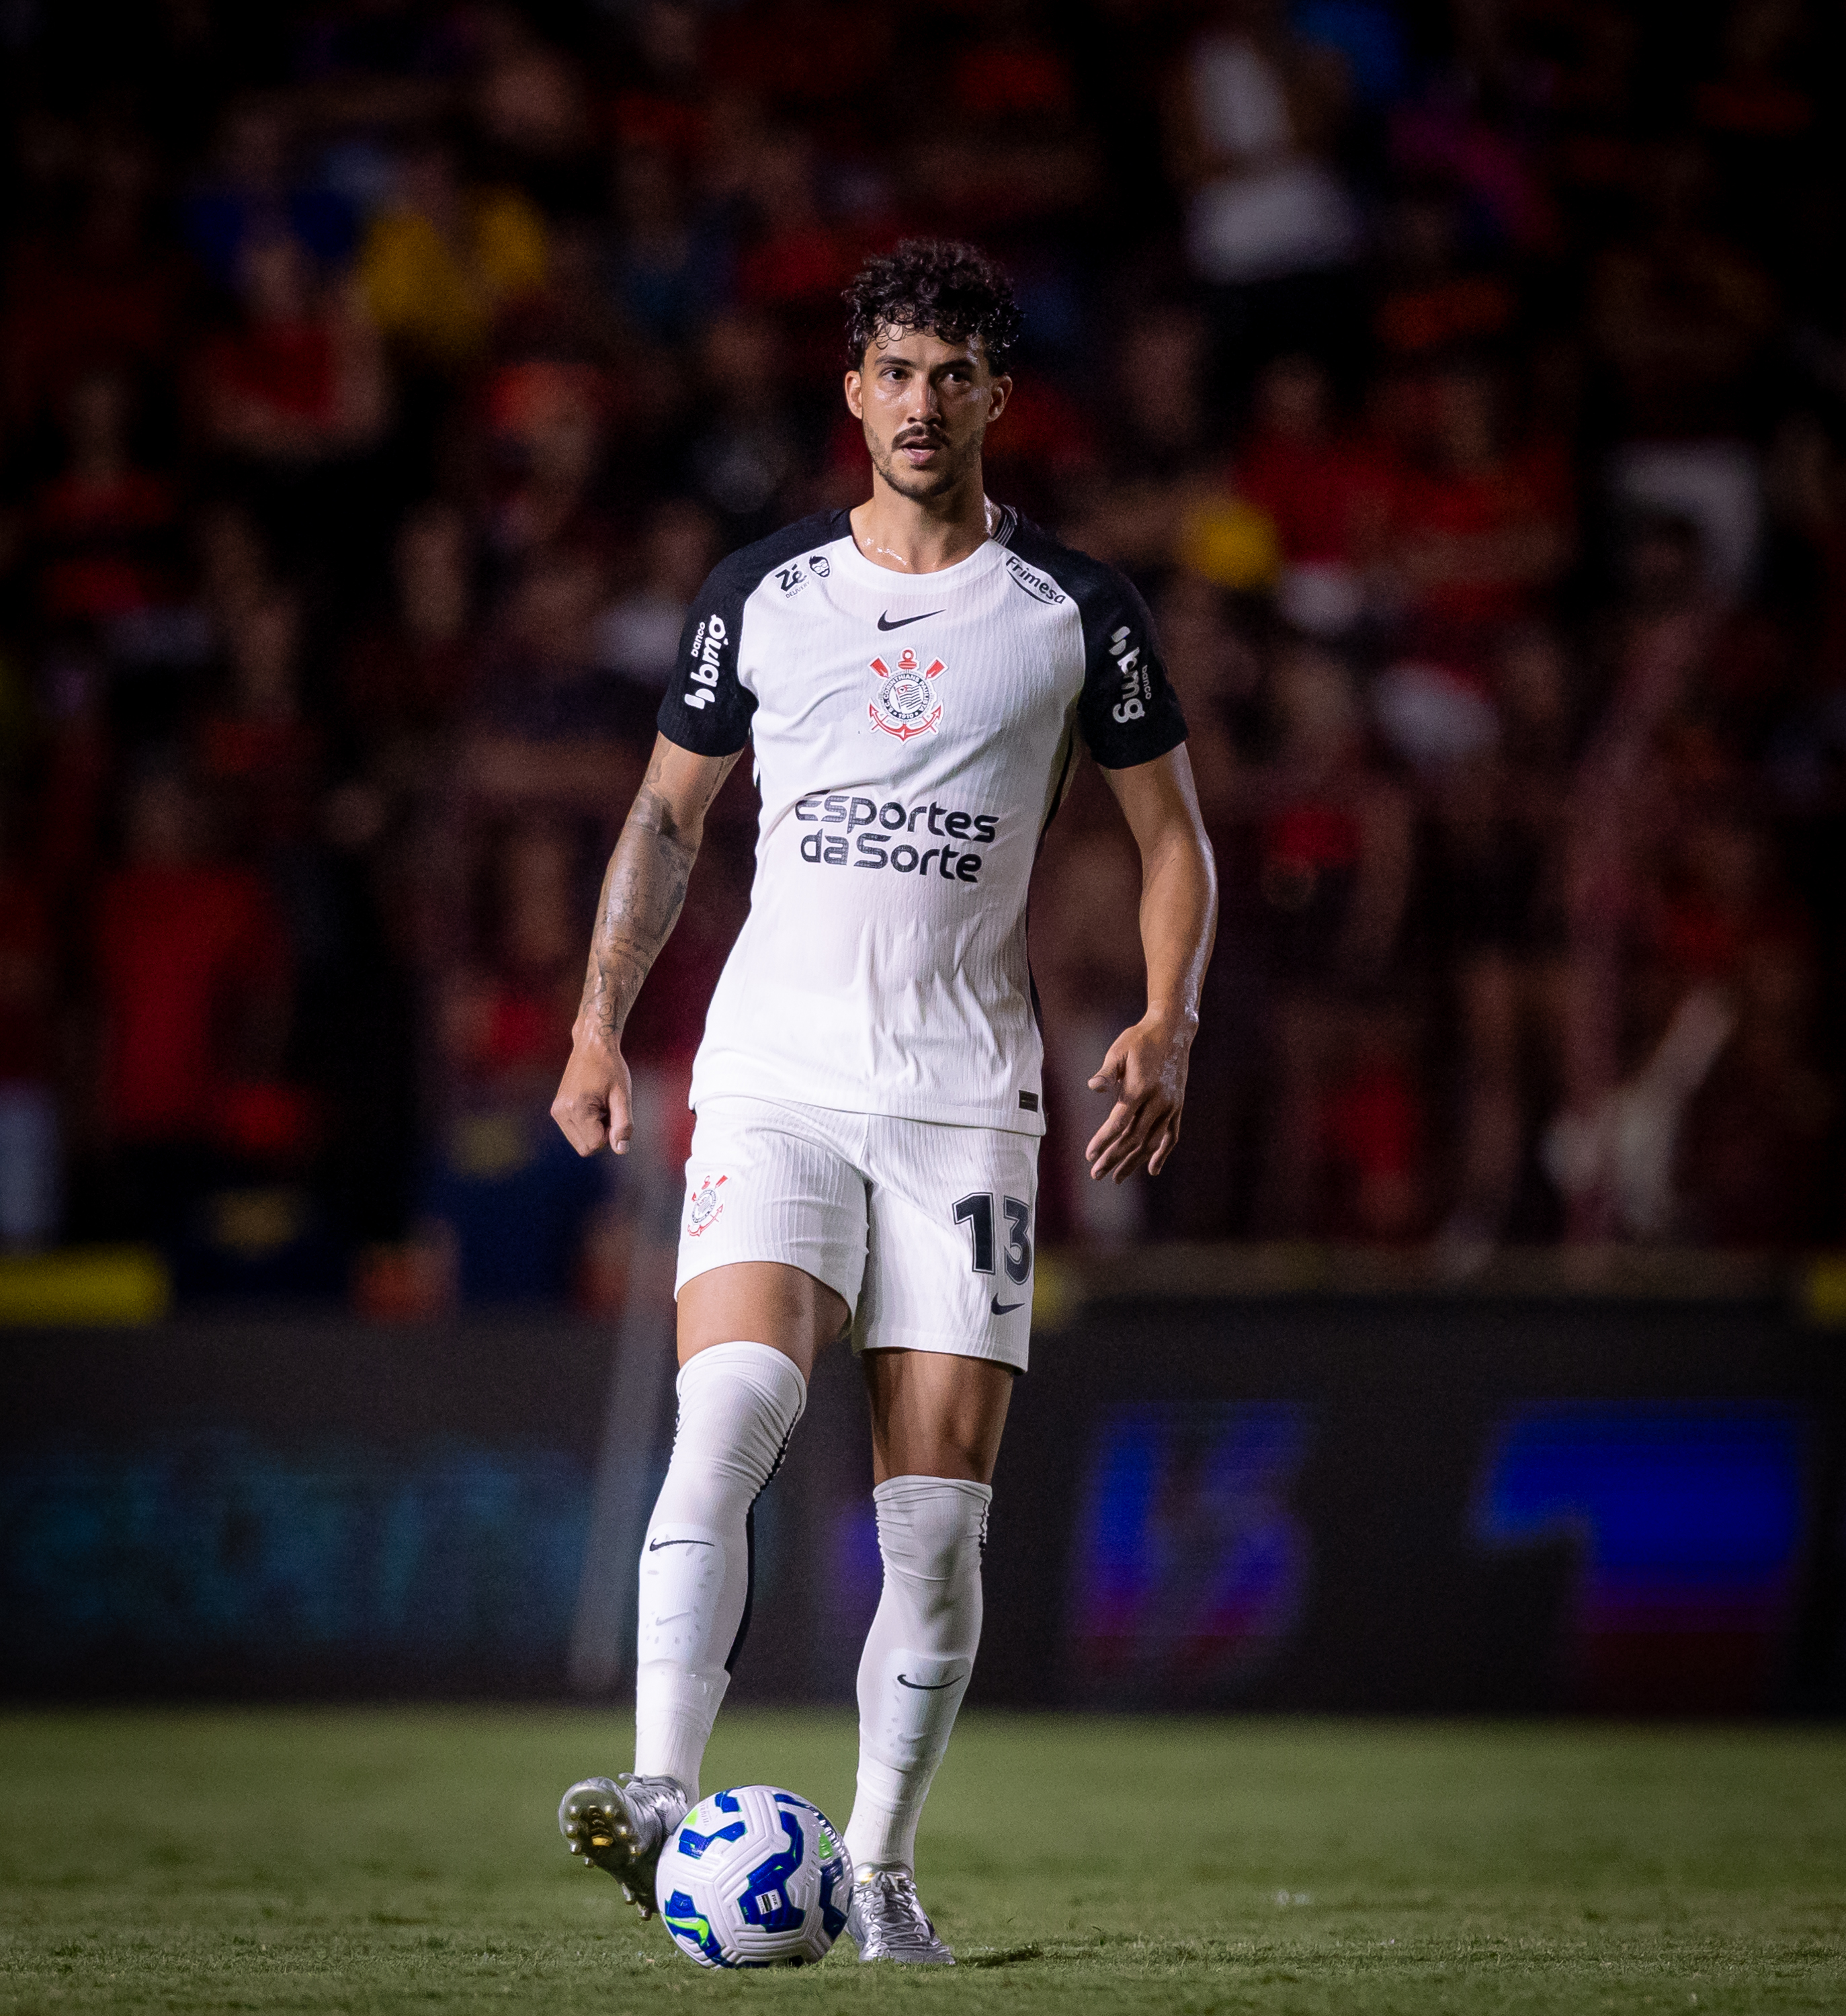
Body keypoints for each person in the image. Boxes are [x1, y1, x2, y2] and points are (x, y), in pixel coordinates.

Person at [549, 240, 1217, 1962]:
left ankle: (886, 1868)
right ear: (852, 391)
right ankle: (652, 1795)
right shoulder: (761, 596)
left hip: (967, 1109)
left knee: (931, 1530)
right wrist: (598, 1023)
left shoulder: (1076, 611)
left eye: (956, 375)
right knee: (726, 1419)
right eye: (896, 372)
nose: (923, 404)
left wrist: (1166, 1017)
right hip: (774, 1080)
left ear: (1000, 397)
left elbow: (1172, 840)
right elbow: (664, 821)